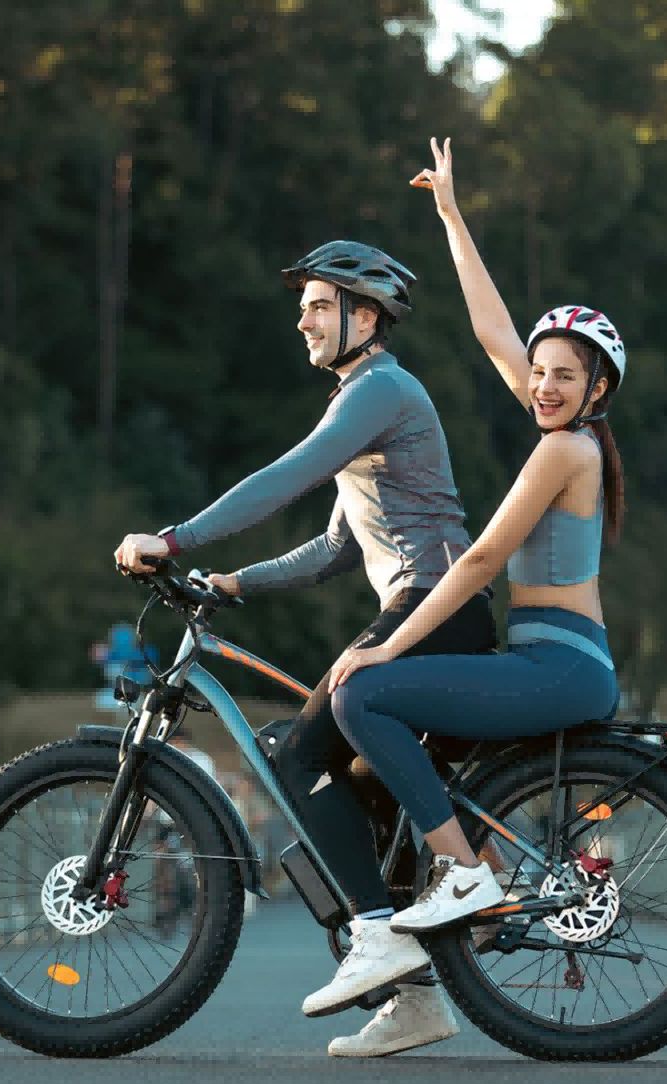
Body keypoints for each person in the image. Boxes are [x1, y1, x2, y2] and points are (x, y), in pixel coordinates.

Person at [114, 240, 496, 1027]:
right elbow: (334, 547)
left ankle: (378, 930)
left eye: (319, 306)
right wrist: (236, 582)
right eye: (303, 309)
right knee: (342, 767)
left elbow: (291, 473)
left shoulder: (379, 390)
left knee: (296, 754)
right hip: (430, 607)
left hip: (434, 605)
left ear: (366, 315)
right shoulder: (370, 401)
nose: (303, 322)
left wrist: (175, 539)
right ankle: (415, 996)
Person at [321, 137, 626, 1057]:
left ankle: (463, 876)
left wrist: (389, 644)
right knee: (387, 759)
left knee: (365, 696)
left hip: (558, 668)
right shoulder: (561, 425)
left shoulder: (568, 449)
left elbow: (484, 556)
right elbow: (498, 334)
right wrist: (453, 215)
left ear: (598, 389)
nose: (542, 384)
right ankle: (426, 974)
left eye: (563, 376)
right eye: (541, 373)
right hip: (542, 661)